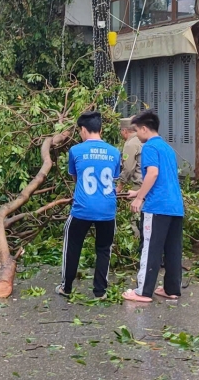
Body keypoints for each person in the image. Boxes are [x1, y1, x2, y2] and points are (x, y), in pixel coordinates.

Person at [58, 111, 122, 298]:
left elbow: (76, 178)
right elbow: (114, 178)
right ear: (101, 129)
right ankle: (100, 291)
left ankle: (66, 287)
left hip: (82, 209)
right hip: (107, 210)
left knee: (72, 245)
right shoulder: (114, 152)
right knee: (104, 249)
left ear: (84, 130)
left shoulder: (76, 151)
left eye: (80, 131)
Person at [123, 110, 184, 303]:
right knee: (173, 249)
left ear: (143, 129)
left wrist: (140, 198)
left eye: (136, 131)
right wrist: (139, 192)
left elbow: (153, 174)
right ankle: (171, 289)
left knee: (150, 248)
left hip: (157, 207)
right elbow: (163, 178)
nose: (135, 135)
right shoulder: (167, 148)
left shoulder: (149, 146)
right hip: (175, 206)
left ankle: (143, 291)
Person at [118, 117, 143, 188]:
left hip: (140, 185)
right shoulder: (142, 139)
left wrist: (120, 186)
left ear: (125, 131)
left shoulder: (130, 144)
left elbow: (128, 168)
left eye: (121, 131)